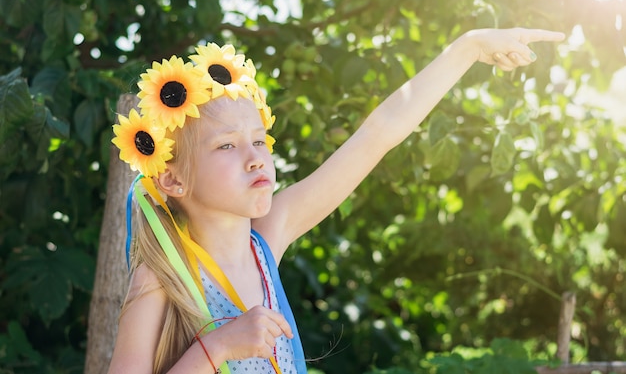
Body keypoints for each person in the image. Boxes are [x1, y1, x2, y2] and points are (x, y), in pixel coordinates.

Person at [107, 28, 565, 374]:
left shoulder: (267, 240)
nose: (255, 159)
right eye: (227, 146)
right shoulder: (162, 276)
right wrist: (217, 348)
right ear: (172, 179)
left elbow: (376, 136)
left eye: (260, 141)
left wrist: (469, 47)